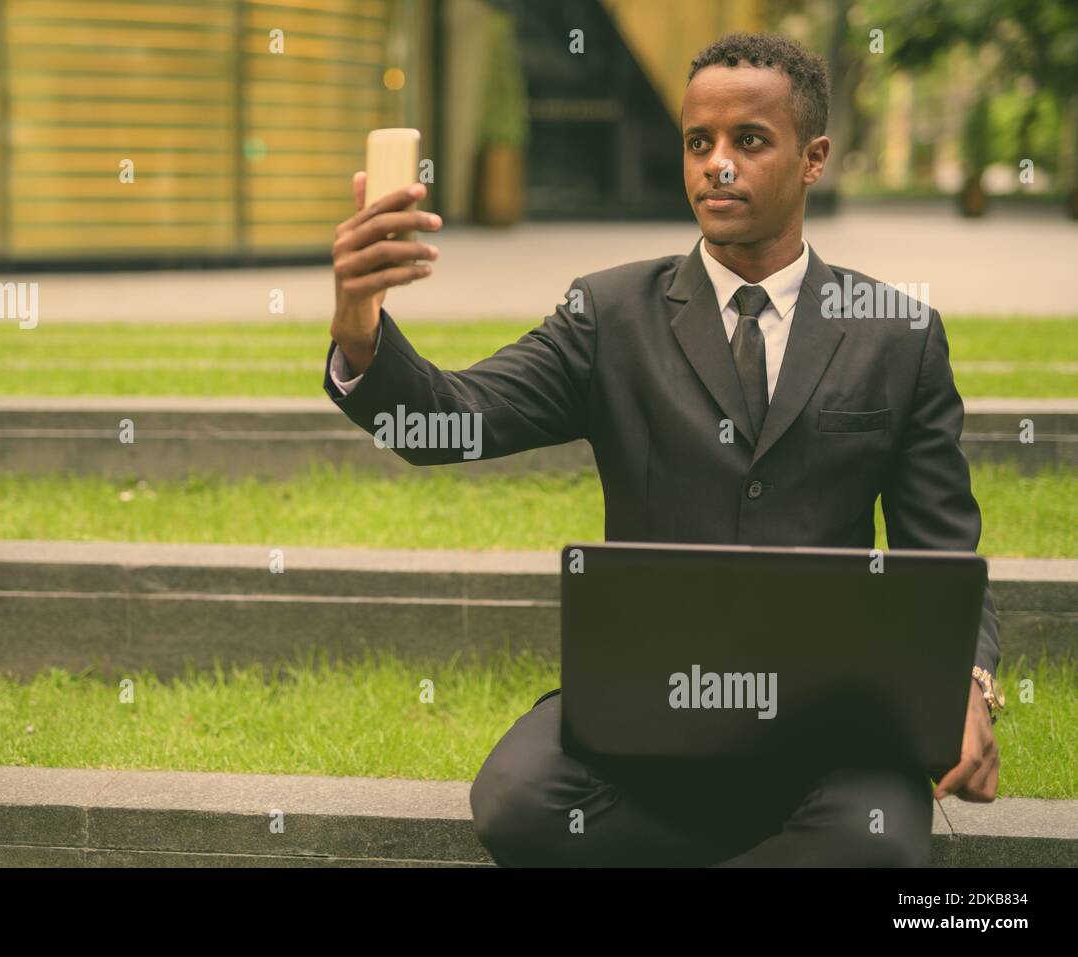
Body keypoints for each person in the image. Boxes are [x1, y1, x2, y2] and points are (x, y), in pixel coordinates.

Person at [323, 32, 1002, 866]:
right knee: (518, 799)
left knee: (883, 848)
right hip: (652, 709)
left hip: (837, 720)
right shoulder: (608, 314)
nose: (717, 164)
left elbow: (944, 555)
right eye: (697, 142)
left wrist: (968, 686)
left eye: (749, 141)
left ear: (814, 156)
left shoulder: (900, 334)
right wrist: (360, 329)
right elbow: (453, 419)